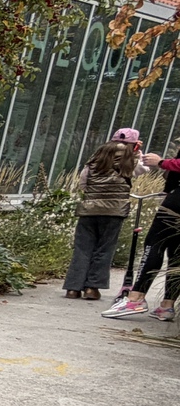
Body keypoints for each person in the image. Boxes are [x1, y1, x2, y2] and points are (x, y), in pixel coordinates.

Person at [108, 147, 180, 321]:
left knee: (155, 244)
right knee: (177, 253)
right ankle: (167, 305)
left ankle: (136, 297)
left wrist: (161, 162)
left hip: (176, 202)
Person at [65, 137, 141, 301]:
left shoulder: (93, 162)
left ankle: (73, 288)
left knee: (82, 249)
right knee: (105, 249)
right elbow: (142, 170)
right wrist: (137, 154)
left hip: (89, 210)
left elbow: (83, 184)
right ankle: (92, 288)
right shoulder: (129, 162)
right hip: (114, 212)